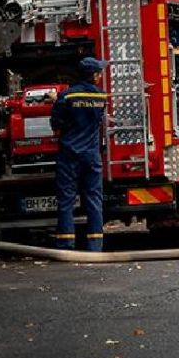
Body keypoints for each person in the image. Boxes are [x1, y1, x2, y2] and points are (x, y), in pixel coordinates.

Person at [49, 57, 108, 251]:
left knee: (66, 200)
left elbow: (56, 125)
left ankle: (66, 243)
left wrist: (54, 100)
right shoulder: (101, 98)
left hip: (69, 154)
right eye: (99, 72)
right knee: (93, 199)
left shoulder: (66, 97)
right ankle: (95, 246)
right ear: (93, 75)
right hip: (91, 155)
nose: (101, 75)